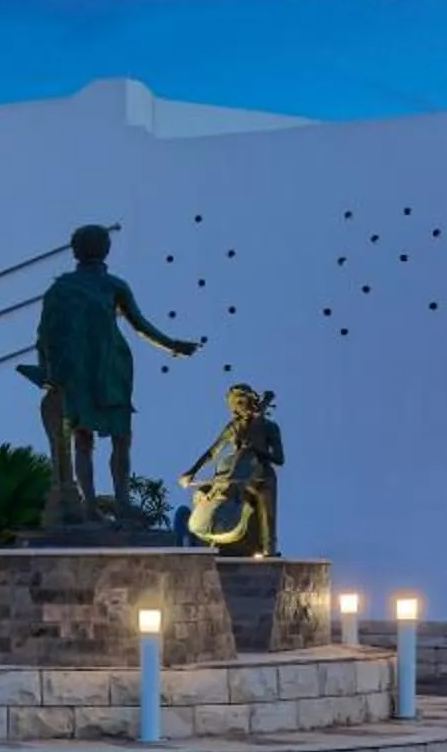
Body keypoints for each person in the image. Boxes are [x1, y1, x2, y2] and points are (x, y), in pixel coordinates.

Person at [21, 225, 201, 519]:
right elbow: (140, 325)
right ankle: (95, 504)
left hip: (100, 370)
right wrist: (173, 345)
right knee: (96, 438)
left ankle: (112, 502)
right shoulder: (89, 287)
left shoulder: (83, 287)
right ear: (104, 250)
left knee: (106, 437)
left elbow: (43, 335)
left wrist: (48, 371)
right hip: (96, 369)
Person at [181, 386, 284, 557]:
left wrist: (258, 451)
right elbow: (213, 452)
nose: (238, 408)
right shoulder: (234, 427)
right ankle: (207, 534)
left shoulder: (270, 427)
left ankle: (269, 547)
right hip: (232, 473)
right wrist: (192, 472)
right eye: (235, 405)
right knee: (201, 492)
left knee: (265, 498)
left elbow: (279, 459)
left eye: (242, 403)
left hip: (260, 474)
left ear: (252, 402)